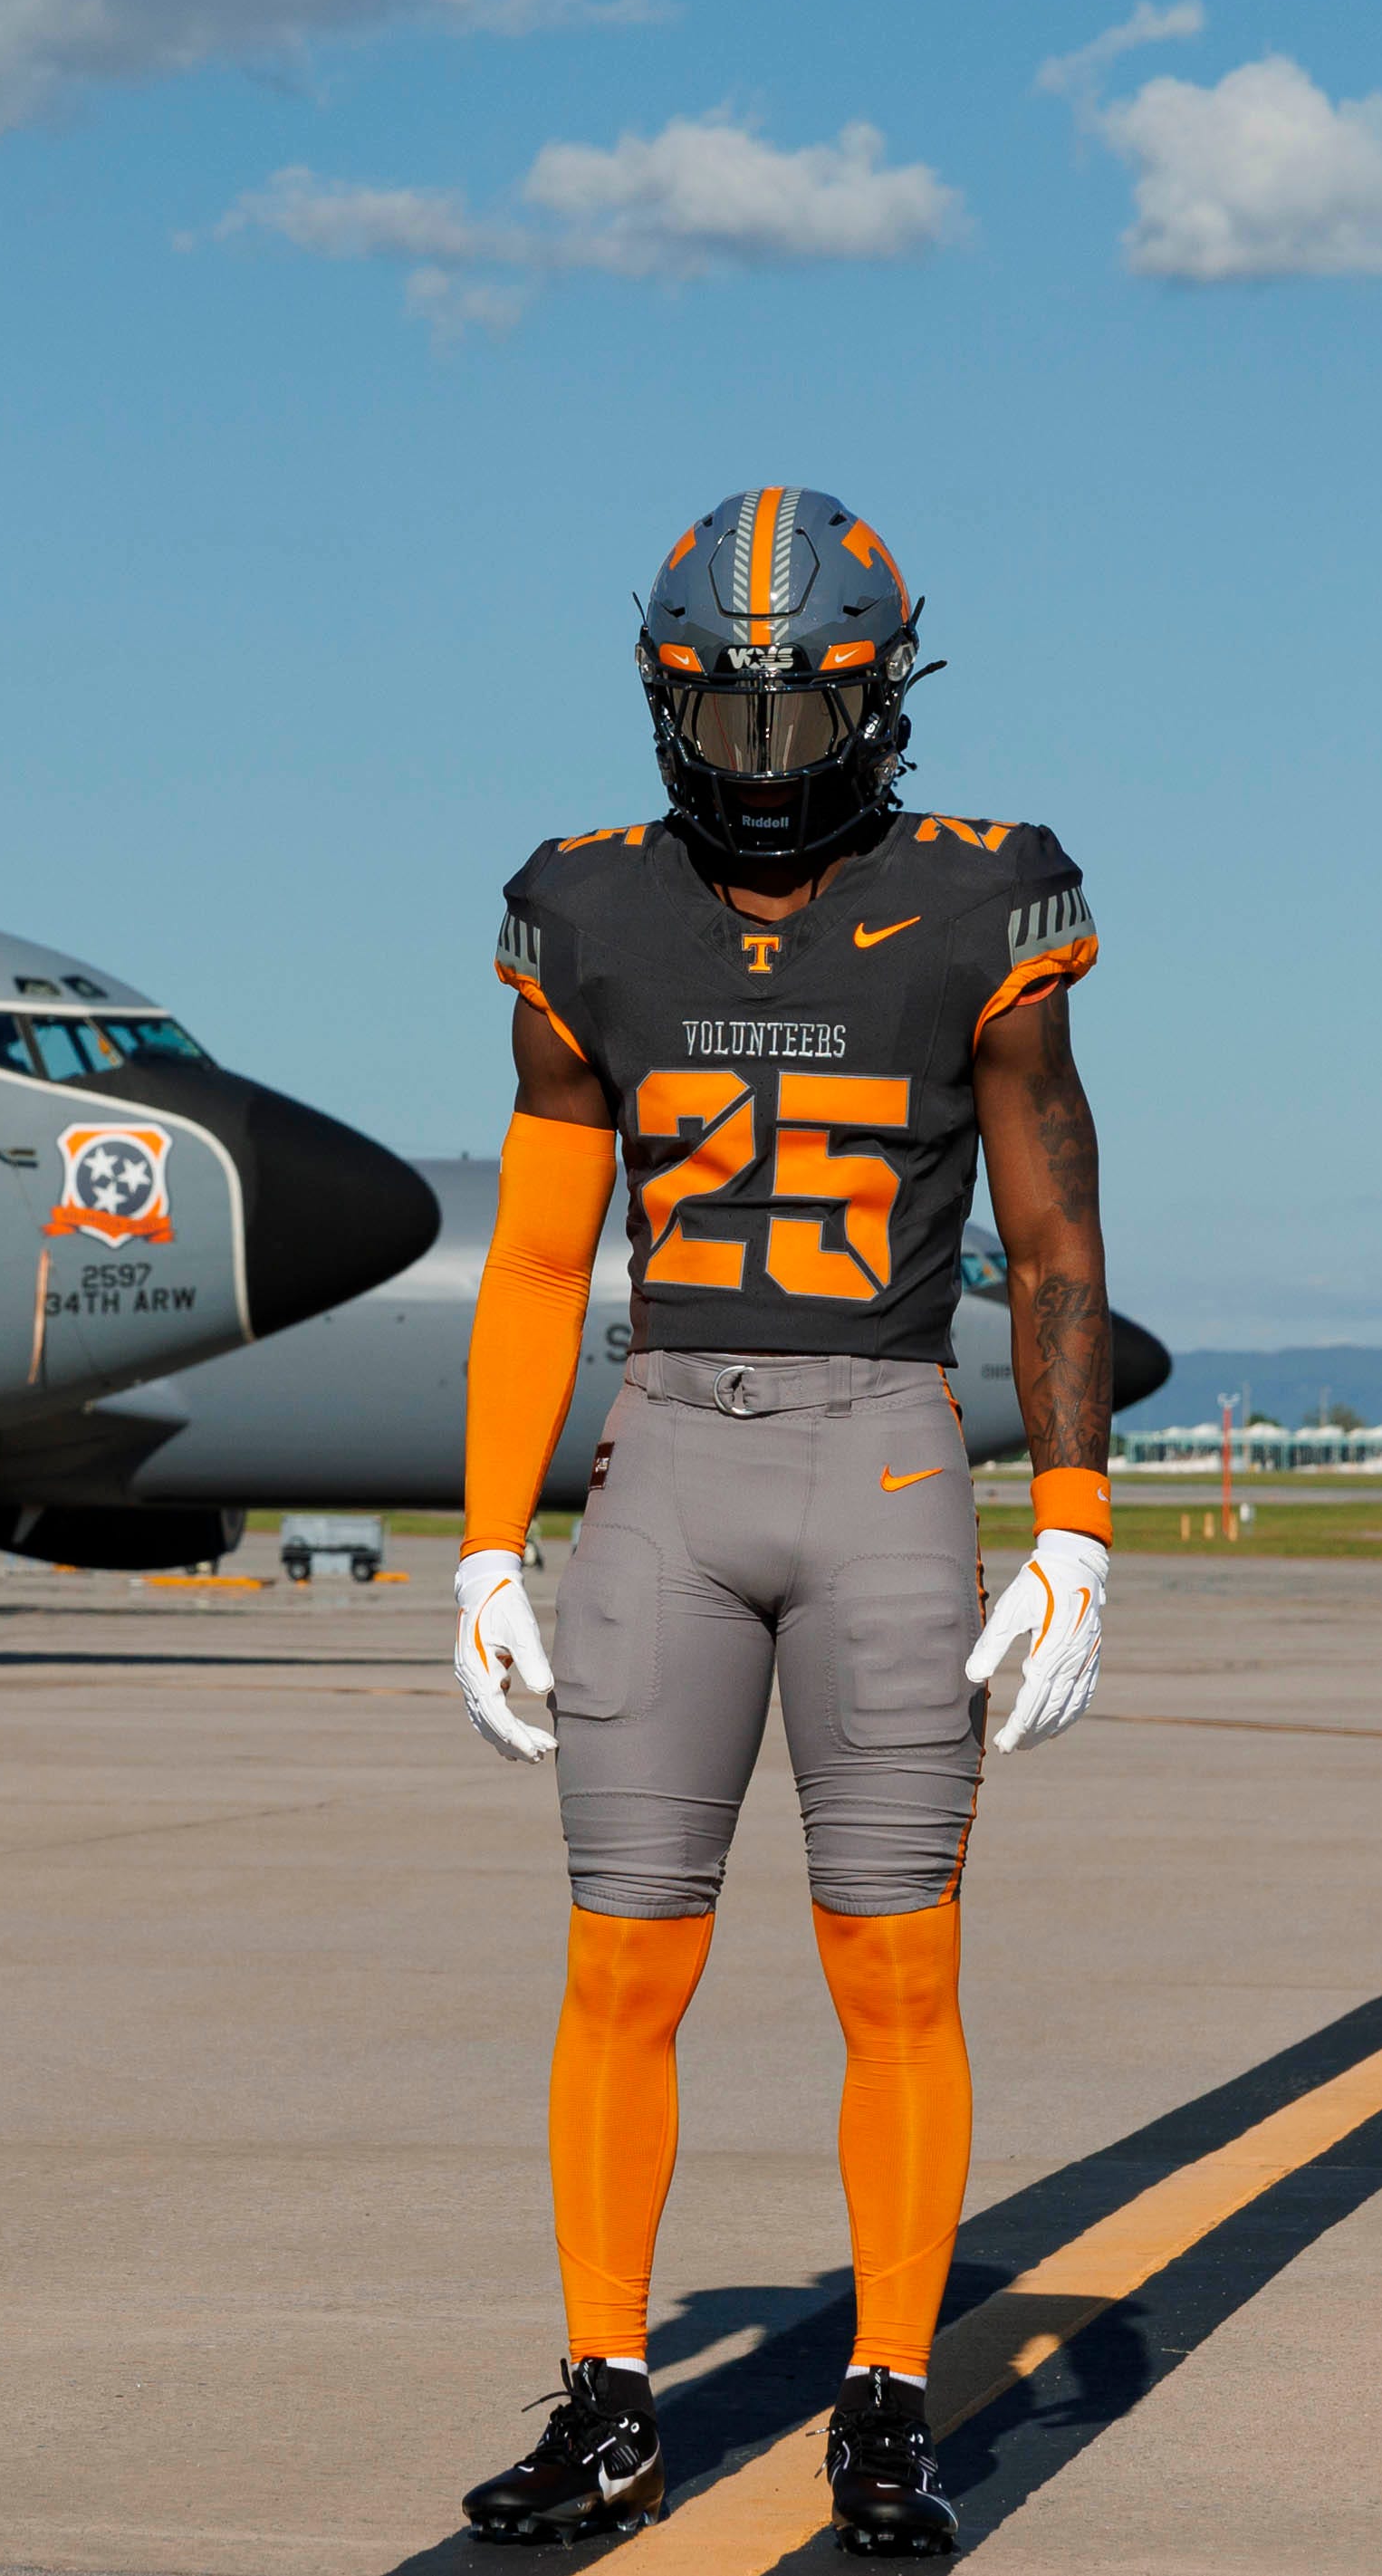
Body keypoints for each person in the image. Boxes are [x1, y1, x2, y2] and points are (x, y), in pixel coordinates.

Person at [450, 487, 1115, 2558]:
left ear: (877, 701)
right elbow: (542, 1262)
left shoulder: (984, 895)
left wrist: (1077, 1515)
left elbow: (1054, 1221)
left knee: (892, 1971)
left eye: (790, 721)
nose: (757, 762)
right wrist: (483, 1537)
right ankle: (610, 2394)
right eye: (717, 724)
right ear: (664, 708)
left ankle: (892, 2400)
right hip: (666, 1457)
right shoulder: (582, 910)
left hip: (887, 1453)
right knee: (616, 1968)